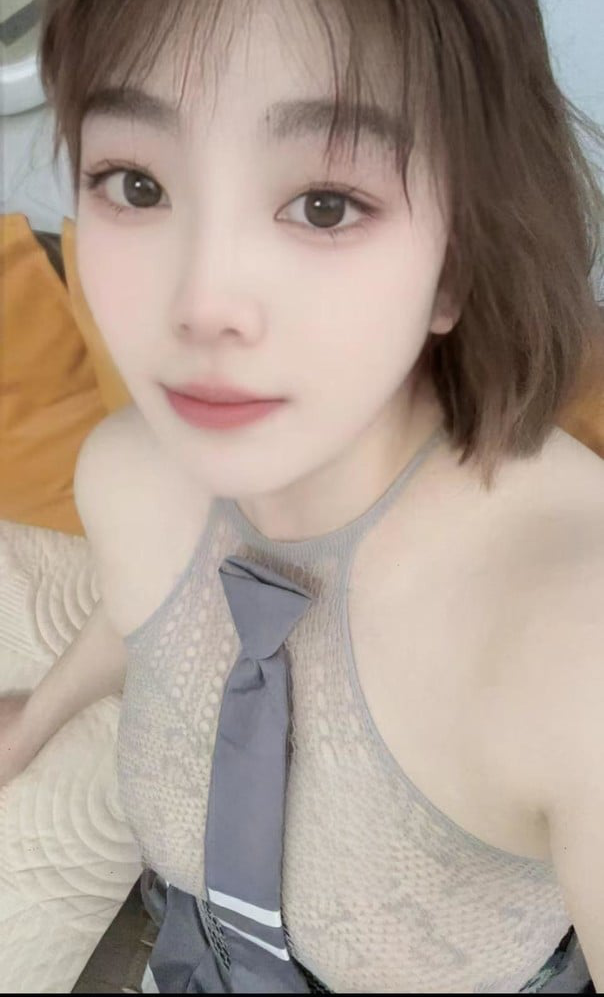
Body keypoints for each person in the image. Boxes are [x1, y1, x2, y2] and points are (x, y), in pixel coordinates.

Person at [2, 0, 604, 991]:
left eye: (325, 204)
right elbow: (147, 614)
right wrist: (37, 717)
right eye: (137, 184)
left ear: (458, 257)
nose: (201, 304)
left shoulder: (572, 643)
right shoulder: (126, 475)